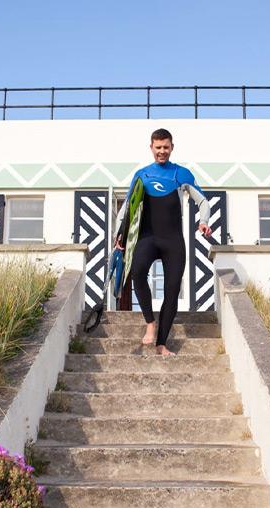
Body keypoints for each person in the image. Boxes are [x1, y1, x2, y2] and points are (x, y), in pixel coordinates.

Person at [114, 128, 212, 356]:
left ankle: (162, 344)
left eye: (166, 147)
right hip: (147, 237)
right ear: (151, 148)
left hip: (173, 241)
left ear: (172, 147)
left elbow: (203, 202)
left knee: (171, 290)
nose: (162, 151)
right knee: (137, 273)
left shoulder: (181, 174)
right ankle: (150, 322)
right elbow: (127, 206)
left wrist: (203, 221)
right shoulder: (142, 174)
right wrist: (120, 233)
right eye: (158, 147)